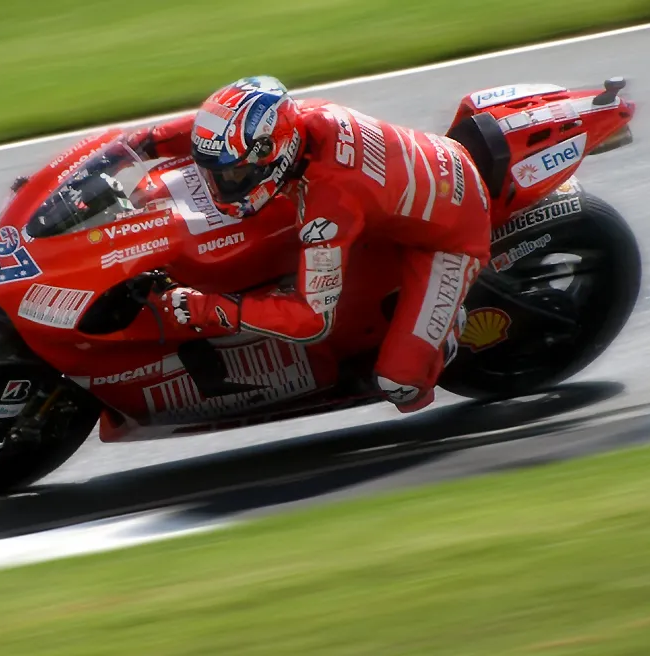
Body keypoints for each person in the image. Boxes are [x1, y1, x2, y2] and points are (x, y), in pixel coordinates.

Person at [122, 76, 491, 413]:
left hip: (452, 237)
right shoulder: (300, 119)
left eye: (233, 174)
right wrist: (143, 141)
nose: (220, 185)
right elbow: (216, 131)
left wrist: (206, 308)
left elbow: (312, 321)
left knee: (400, 384)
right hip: (410, 194)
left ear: (272, 152)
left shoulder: (328, 207)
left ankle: (450, 325)